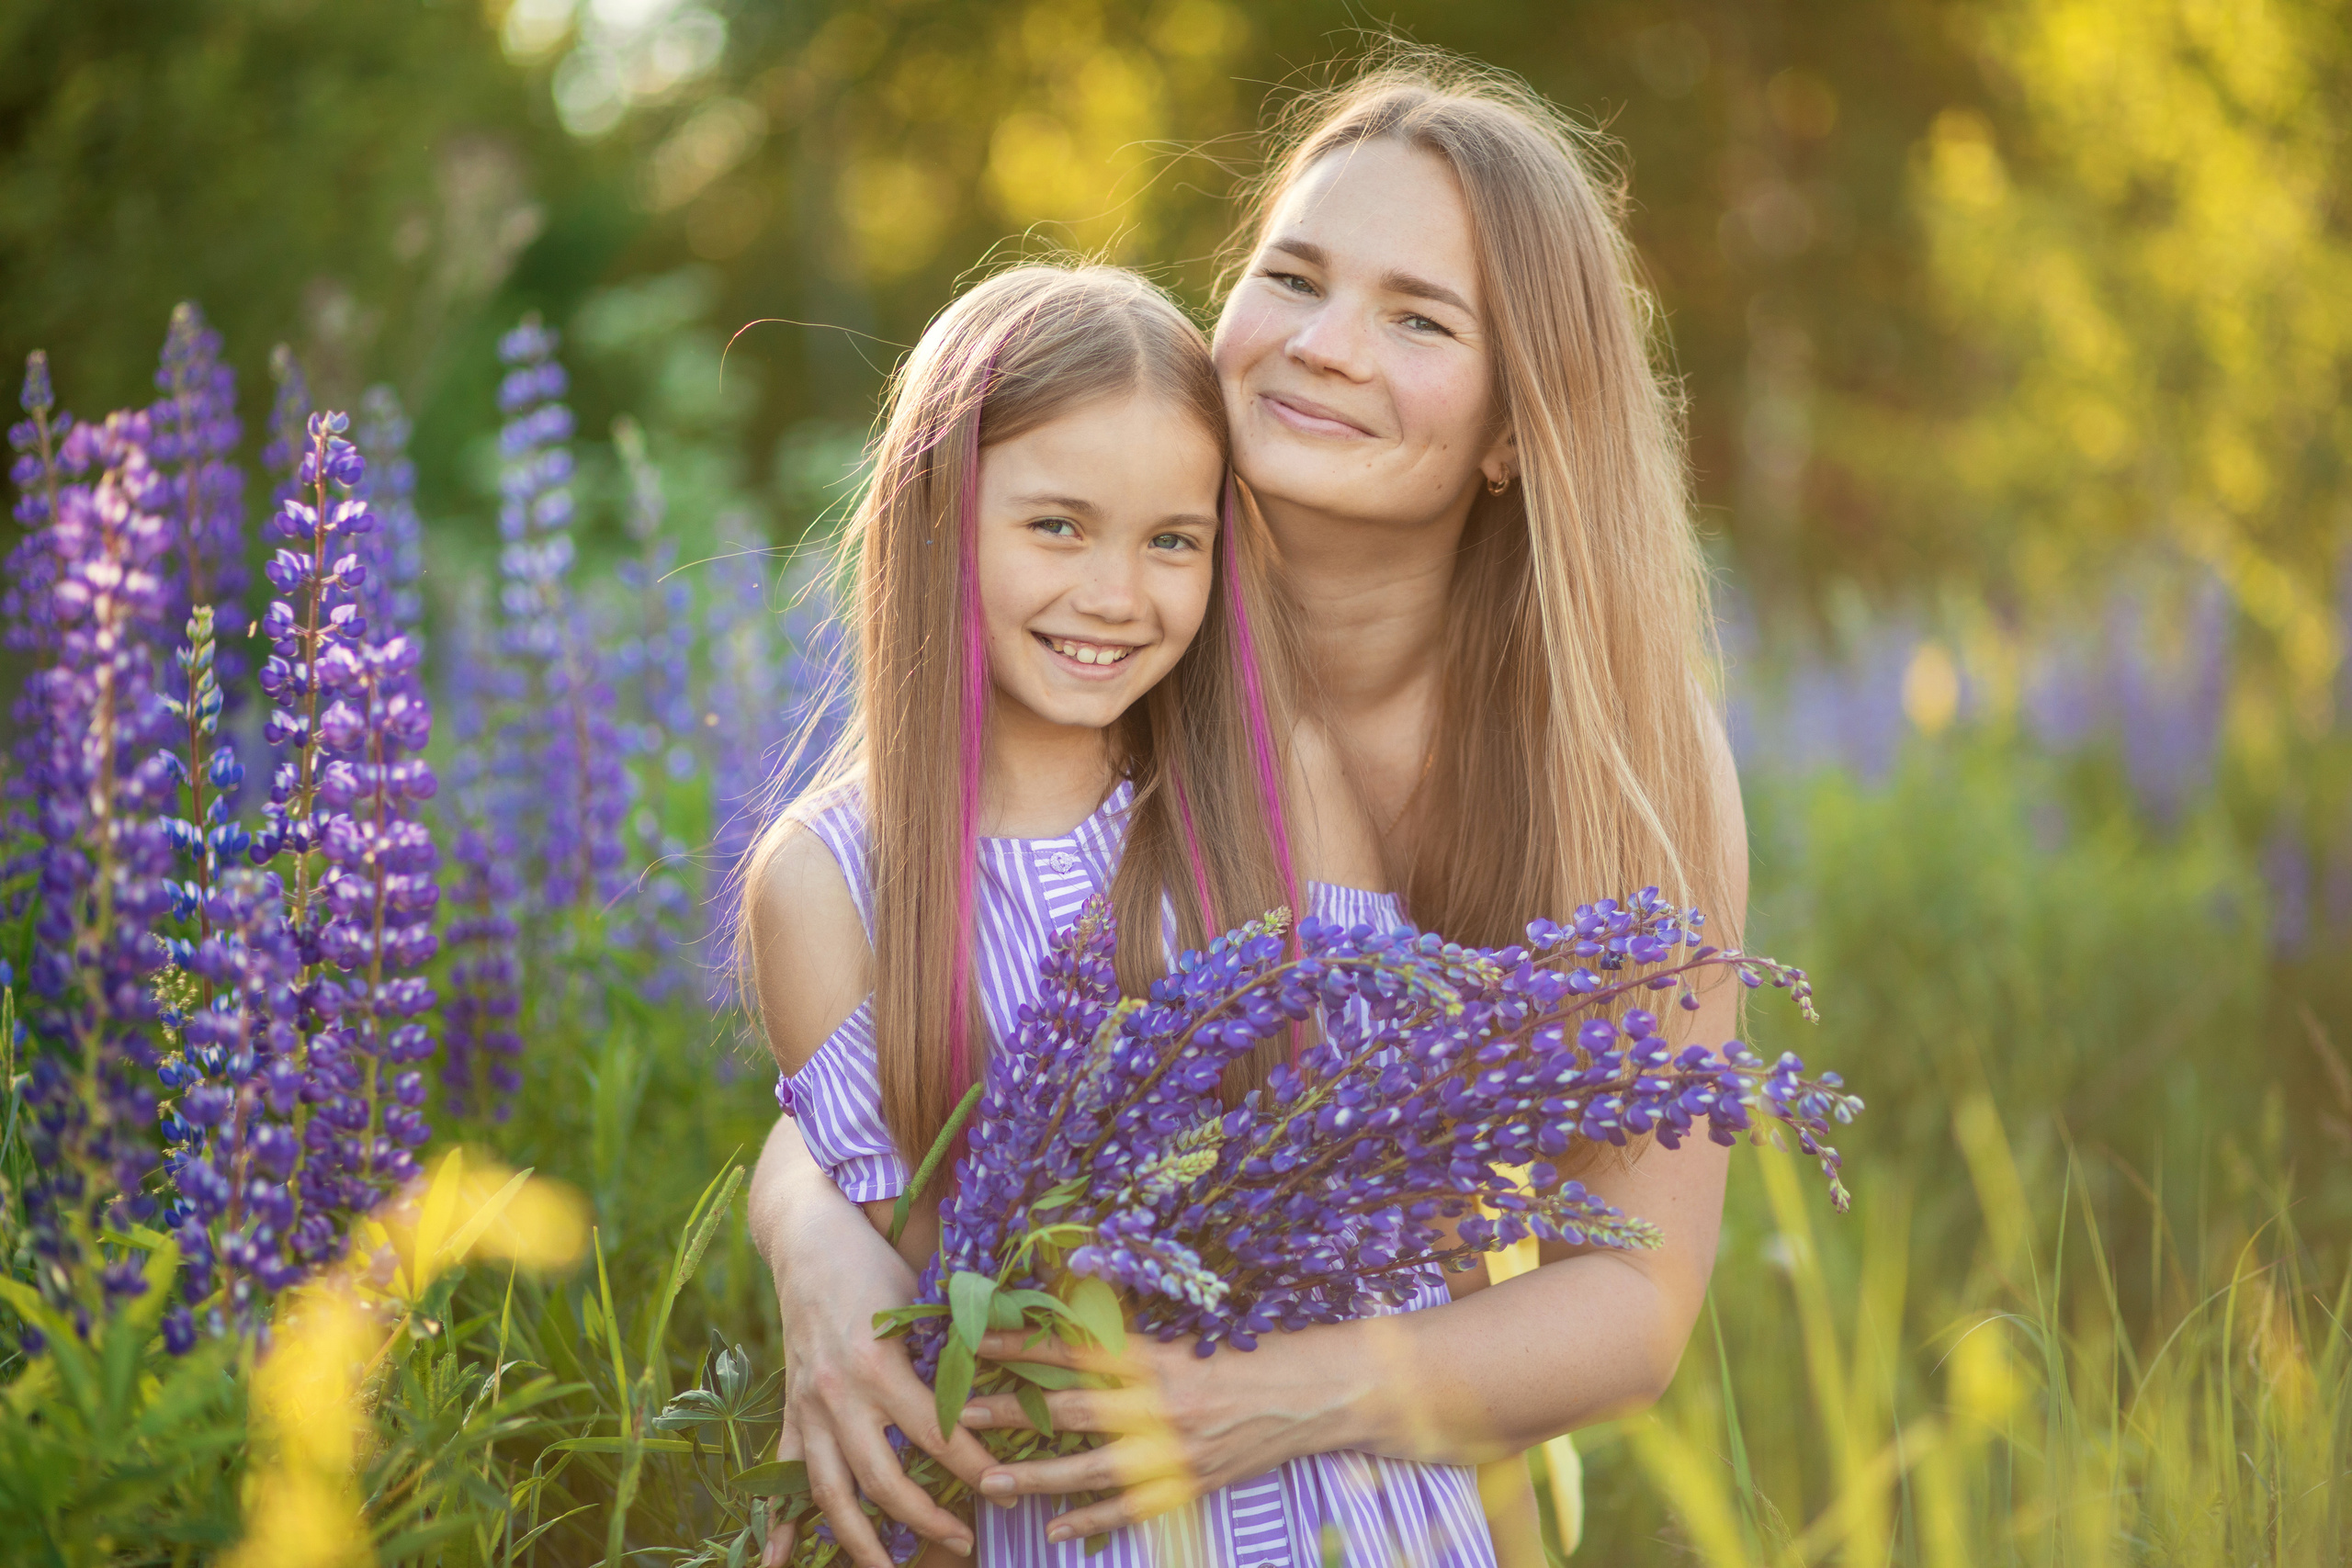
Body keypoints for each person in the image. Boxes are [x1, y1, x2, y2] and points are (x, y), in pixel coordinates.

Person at [748, 51, 1748, 1568]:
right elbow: (906, 951)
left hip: (1387, 1479)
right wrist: (804, 1223)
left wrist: (1270, 1401)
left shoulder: (1615, 756)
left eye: (1418, 318)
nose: (1325, 347)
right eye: (1294, 278)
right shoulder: (1124, 621)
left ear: (1512, 431)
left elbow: (1636, 1301)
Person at [743, 262, 1498, 1566]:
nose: (1116, 594)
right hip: (1091, 1527)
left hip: (1363, 1521)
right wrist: (804, 1211)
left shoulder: (1276, 794)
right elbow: (955, 1324)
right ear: (936, 518)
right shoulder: (829, 882)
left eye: (1172, 540)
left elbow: (1425, 1227)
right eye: (1056, 526)